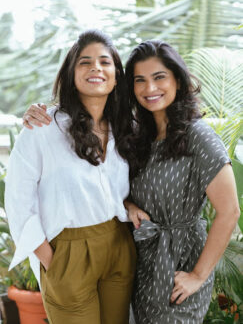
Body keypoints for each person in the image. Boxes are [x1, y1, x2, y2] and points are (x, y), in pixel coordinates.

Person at [22, 40, 240, 324]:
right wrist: (128, 205)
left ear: (177, 79)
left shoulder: (197, 135)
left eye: (159, 77)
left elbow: (230, 210)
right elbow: (107, 184)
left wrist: (198, 276)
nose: (150, 89)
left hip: (178, 267)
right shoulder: (137, 134)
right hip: (139, 262)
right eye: (140, 80)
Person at [5, 29, 150, 324]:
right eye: (85, 62)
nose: (95, 67)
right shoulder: (43, 128)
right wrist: (51, 261)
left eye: (104, 62)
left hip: (118, 244)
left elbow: (112, 190)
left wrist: (129, 207)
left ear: (116, 76)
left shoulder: (125, 129)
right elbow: (18, 202)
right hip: (68, 253)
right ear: (71, 73)